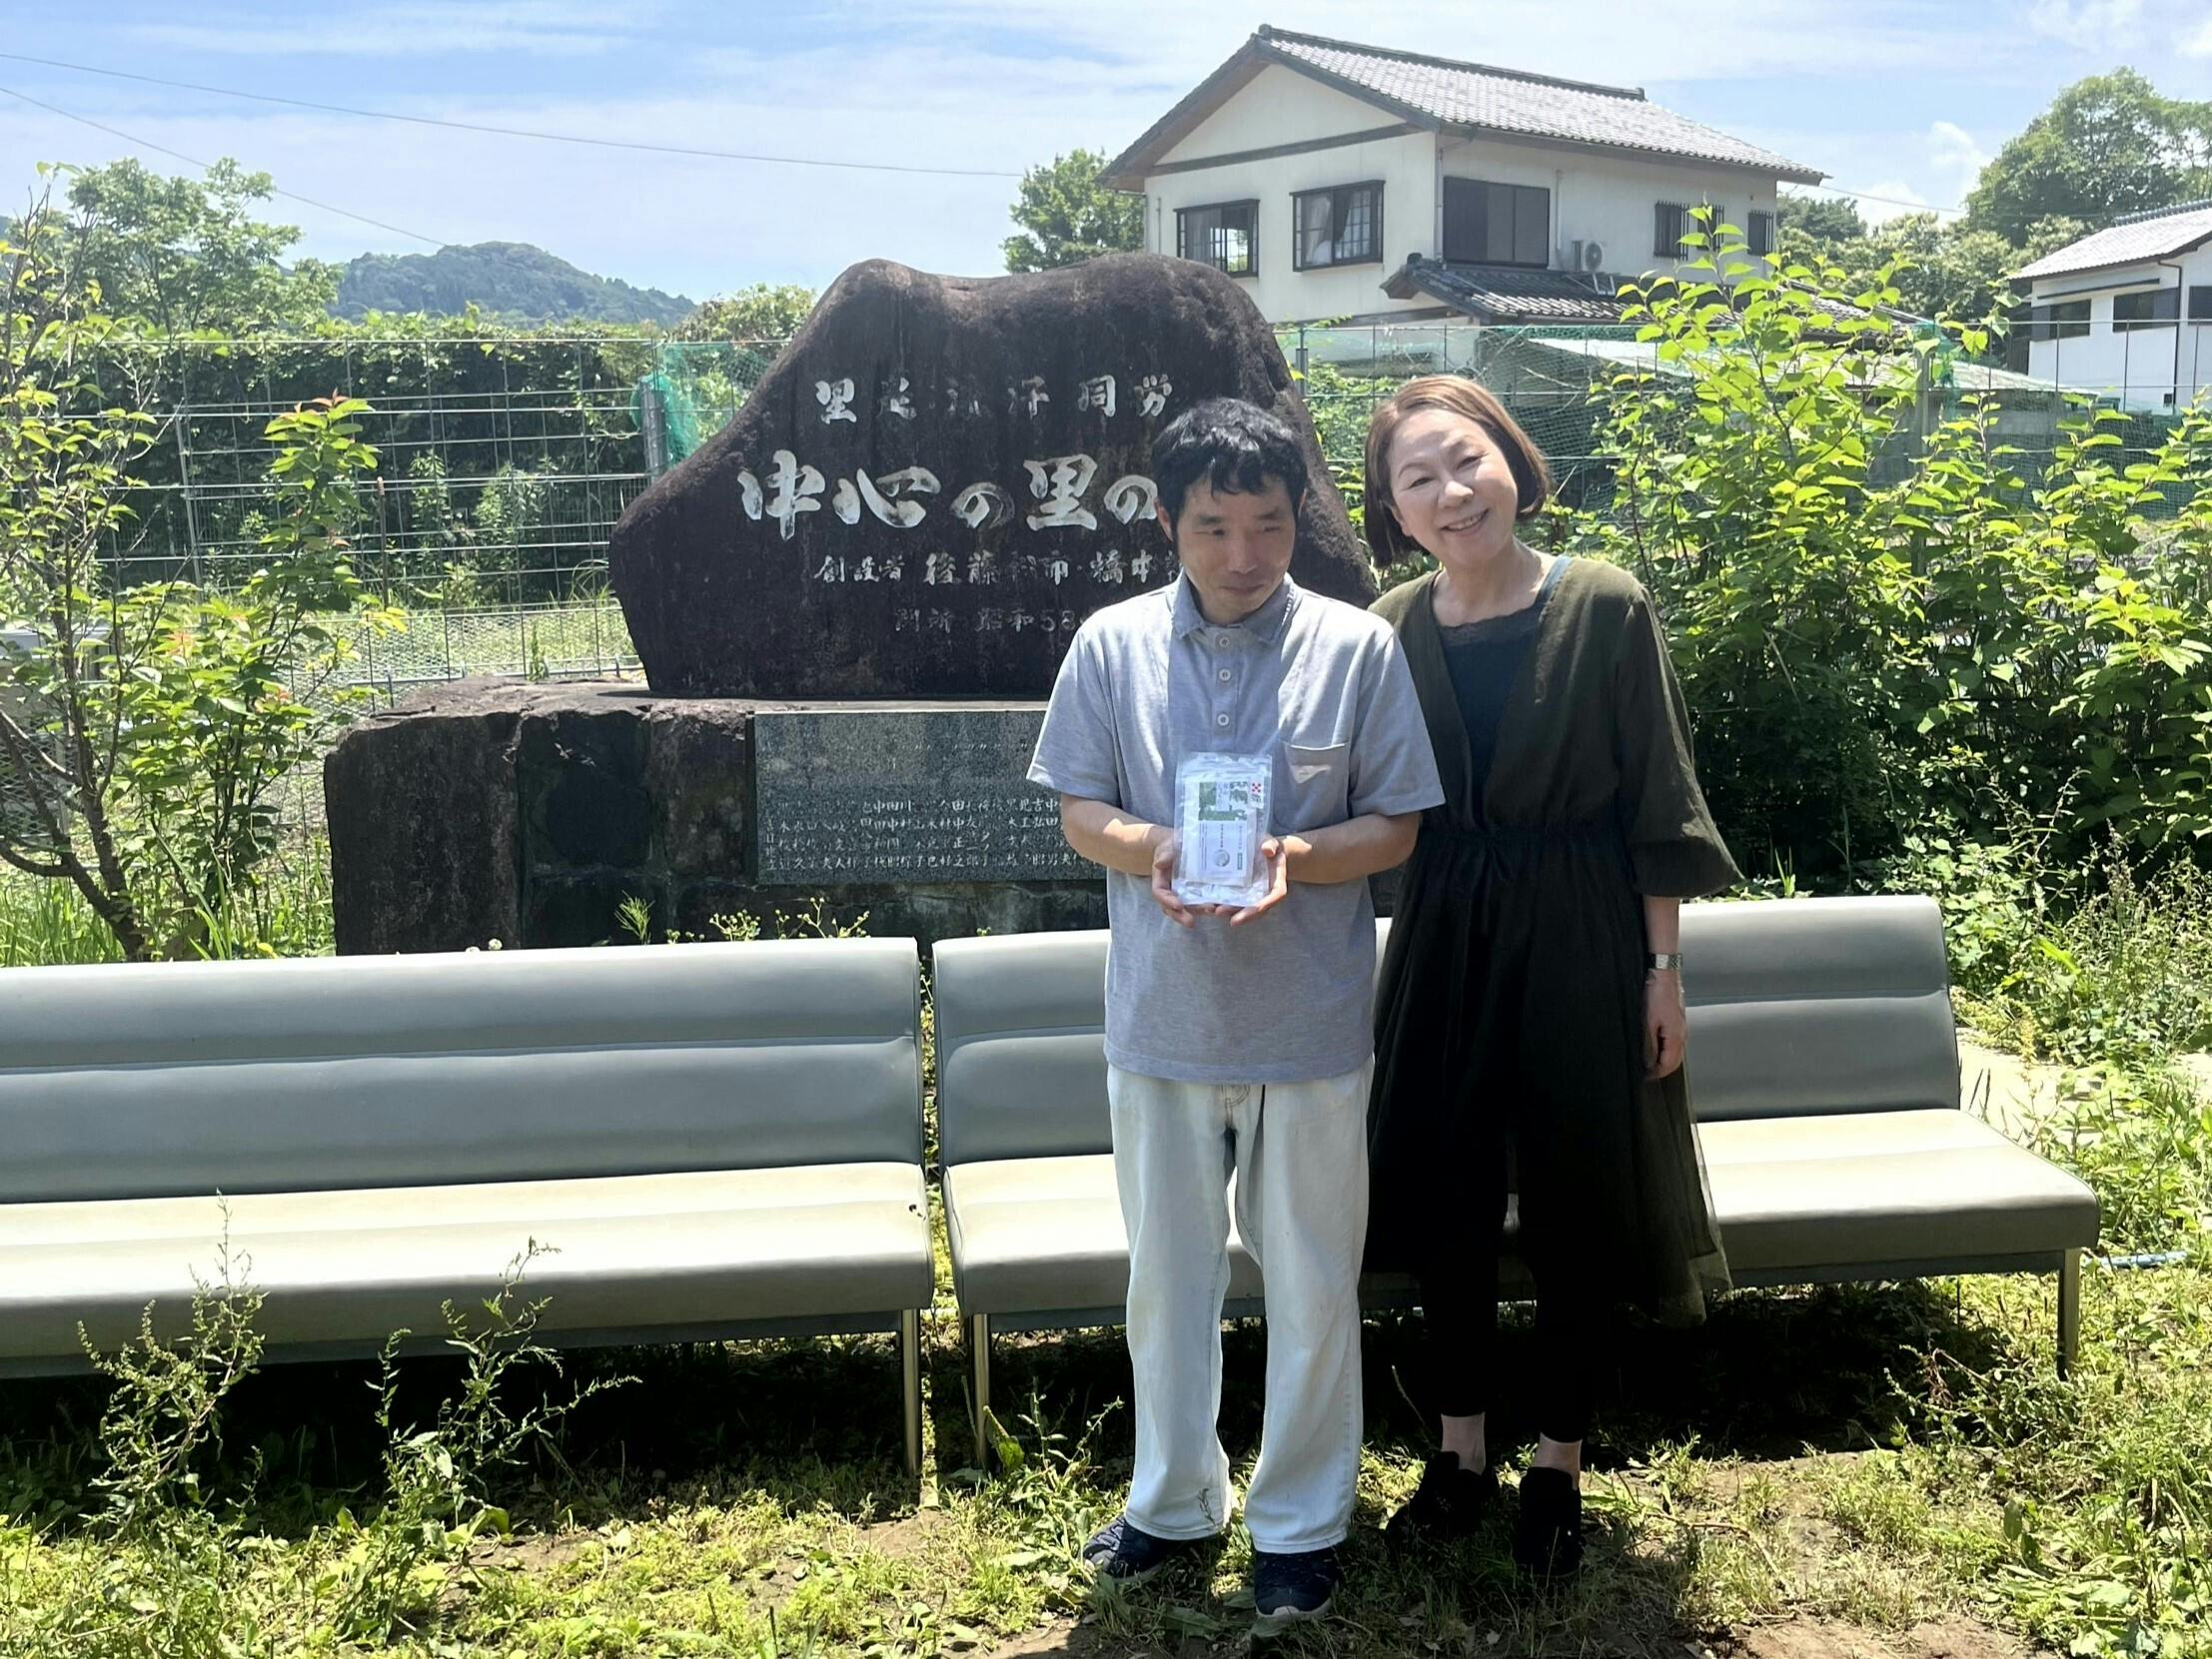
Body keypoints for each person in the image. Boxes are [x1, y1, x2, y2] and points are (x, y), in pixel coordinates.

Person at [1028, 398, 1444, 1631]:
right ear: (1167, 521)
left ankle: (1301, 1521)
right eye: (1214, 525)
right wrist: (1151, 844)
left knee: (1313, 1278)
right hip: (1162, 1018)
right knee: (1167, 1278)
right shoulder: (1110, 647)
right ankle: (1172, 1500)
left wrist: (1294, 858)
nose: (1245, 552)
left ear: (1297, 519)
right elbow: (1079, 810)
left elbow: (1397, 823)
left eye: (1268, 523)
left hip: (1311, 1022)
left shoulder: (1355, 648)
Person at [1360, 376, 1739, 1578]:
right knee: (1445, 1196)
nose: (1450, 492)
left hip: (1581, 928)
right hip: (1442, 930)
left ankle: (1560, 1460)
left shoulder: (1605, 603)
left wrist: (1662, 970)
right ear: (1394, 511)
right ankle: (1459, 1448)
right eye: (1418, 478)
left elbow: (1658, 803)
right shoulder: (1391, 623)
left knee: (1581, 1199)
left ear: (1514, 463)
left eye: (1466, 460)